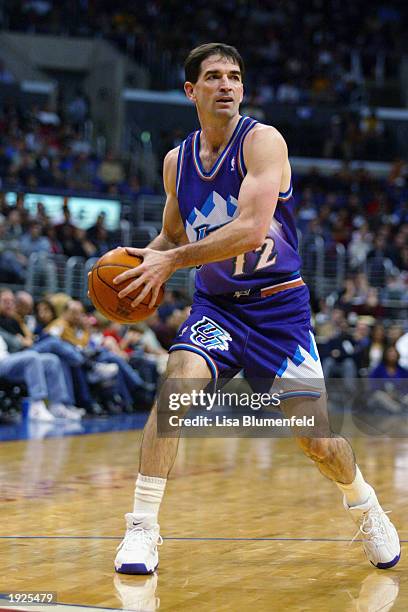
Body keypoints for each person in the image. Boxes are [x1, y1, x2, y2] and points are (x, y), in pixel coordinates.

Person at [112, 43, 400, 574]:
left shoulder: (263, 142)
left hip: (278, 312)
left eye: (235, 77)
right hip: (217, 308)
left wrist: (170, 261)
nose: (226, 85)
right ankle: (142, 527)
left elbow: (249, 231)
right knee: (175, 387)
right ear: (190, 90)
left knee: (318, 442)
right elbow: (173, 234)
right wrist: (134, 265)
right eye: (215, 77)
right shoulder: (177, 161)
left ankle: (365, 502)